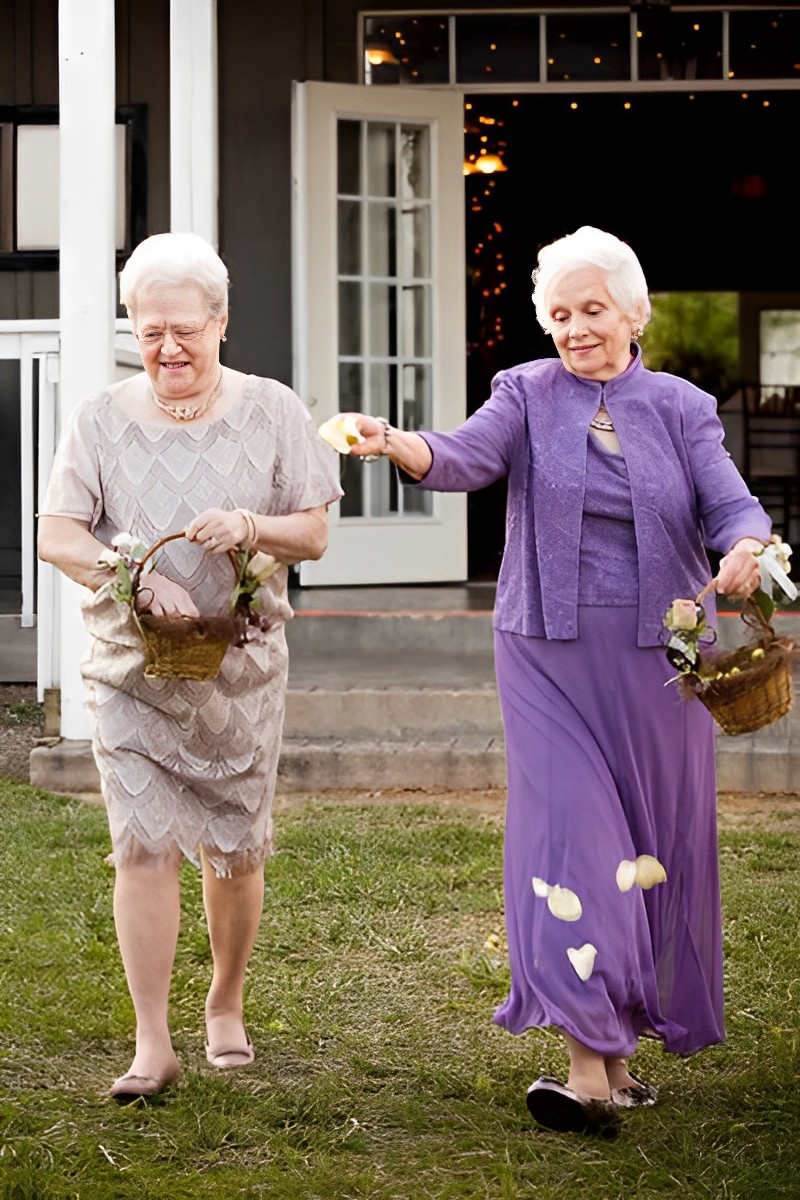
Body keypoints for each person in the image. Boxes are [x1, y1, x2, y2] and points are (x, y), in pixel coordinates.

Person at [338, 226, 772, 1136]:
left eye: (591, 310)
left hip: (664, 659)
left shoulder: (682, 406)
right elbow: (464, 457)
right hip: (544, 652)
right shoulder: (524, 393)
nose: (574, 328)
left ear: (632, 313)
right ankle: (584, 1072)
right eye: (560, 314)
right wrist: (395, 443)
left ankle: (615, 1059)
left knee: (648, 847)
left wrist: (743, 547)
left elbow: (730, 502)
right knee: (571, 841)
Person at [37, 231, 343, 1102]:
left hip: (239, 674)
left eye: (185, 329)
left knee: (235, 853)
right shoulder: (98, 416)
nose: (168, 347)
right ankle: (151, 1044)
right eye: (149, 329)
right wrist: (133, 576)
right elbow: (57, 531)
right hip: (133, 670)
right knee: (141, 845)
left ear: (220, 322)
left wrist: (251, 526)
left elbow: (314, 529)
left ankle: (225, 1001)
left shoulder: (274, 410)